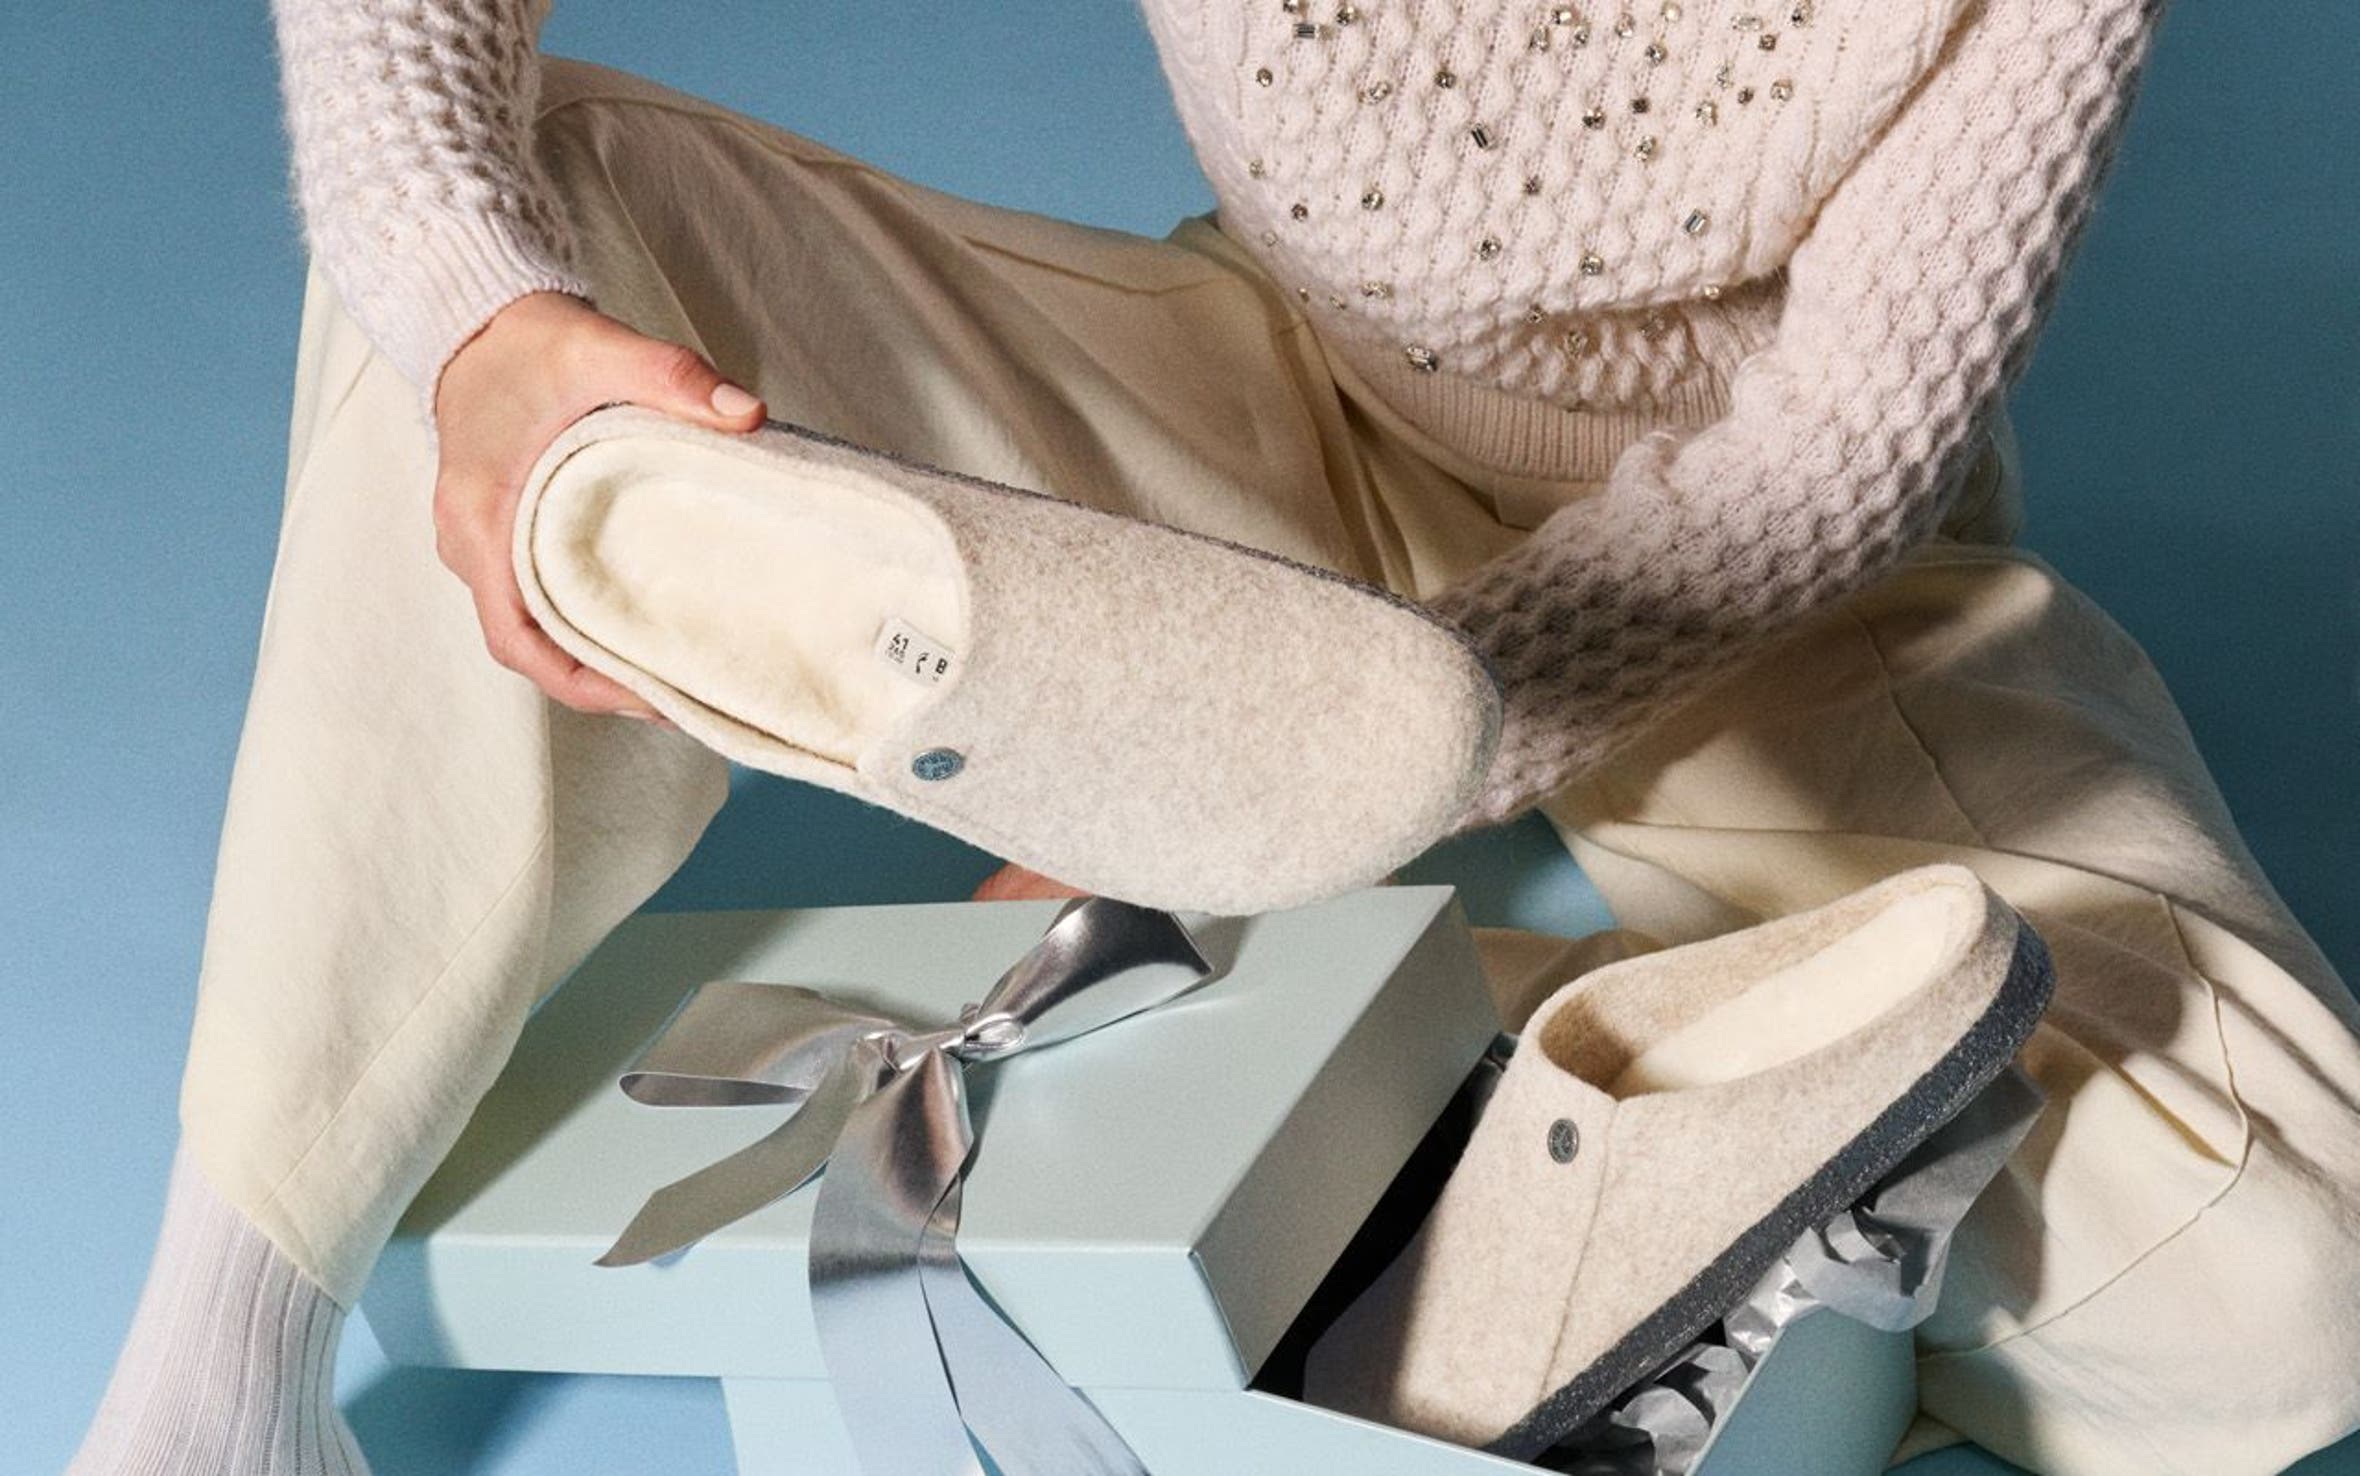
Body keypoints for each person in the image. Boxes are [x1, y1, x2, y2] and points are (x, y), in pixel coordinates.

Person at [69, 0, 2360, 1472]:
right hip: (1260, 413)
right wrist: (486, 321)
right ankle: (233, 1343)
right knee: (531, 241)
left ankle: (1455, 1056)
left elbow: (1831, 453)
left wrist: (1331, 786)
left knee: (2295, 1286)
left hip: (1779, 591)